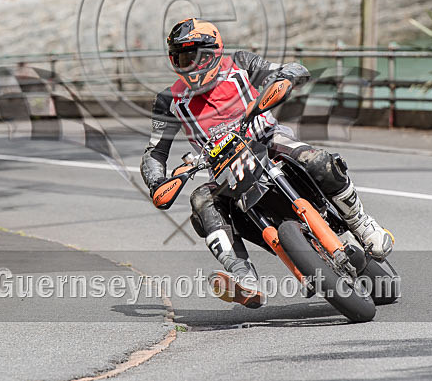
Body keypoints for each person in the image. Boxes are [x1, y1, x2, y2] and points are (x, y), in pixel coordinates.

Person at [141, 19, 394, 307]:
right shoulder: (167, 100)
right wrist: (156, 181)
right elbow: (154, 152)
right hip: (224, 171)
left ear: (215, 52)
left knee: (317, 159)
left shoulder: (240, 63)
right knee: (201, 200)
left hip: (269, 141)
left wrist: (288, 76)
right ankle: (242, 277)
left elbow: (289, 70)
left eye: (198, 56)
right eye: (184, 58)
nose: (193, 65)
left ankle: (361, 224)